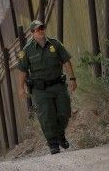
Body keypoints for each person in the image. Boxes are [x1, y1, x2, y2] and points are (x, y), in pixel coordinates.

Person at [17, 20, 77, 154]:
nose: (40, 31)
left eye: (42, 28)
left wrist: (72, 78)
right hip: (40, 90)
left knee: (64, 112)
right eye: (37, 30)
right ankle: (53, 144)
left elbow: (66, 61)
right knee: (46, 116)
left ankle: (60, 135)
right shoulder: (27, 50)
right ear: (32, 33)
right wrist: (21, 88)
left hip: (58, 85)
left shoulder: (55, 44)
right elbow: (22, 70)